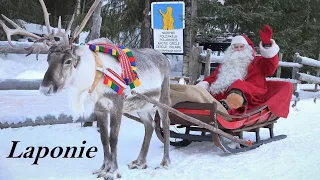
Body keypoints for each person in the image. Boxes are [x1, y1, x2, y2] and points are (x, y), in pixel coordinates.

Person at [197, 25, 280, 113]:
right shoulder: (226, 64)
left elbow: (270, 67)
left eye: (241, 47)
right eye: (236, 47)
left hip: (251, 96)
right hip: (224, 96)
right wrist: (202, 85)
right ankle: (210, 105)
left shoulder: (257, 62)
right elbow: (213, 78)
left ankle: (227, 106)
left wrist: (267, 45)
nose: (239, 49)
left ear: (248, 48)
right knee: (208, 90)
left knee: (238, 84)